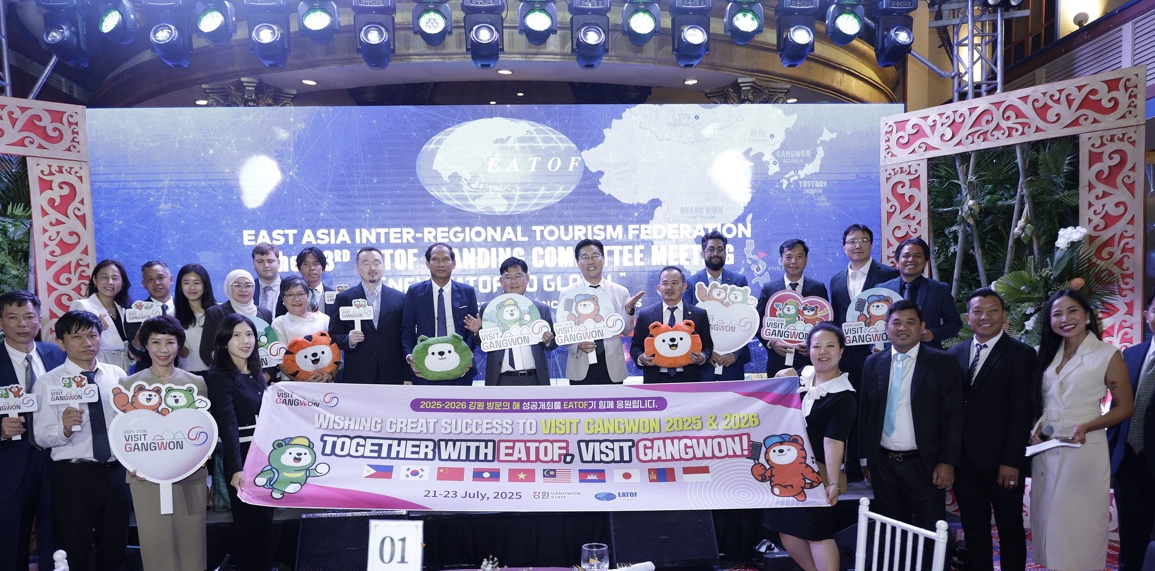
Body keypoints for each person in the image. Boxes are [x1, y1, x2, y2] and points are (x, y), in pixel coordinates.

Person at [1029, 290, 1133, 571]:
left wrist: (1089, 425)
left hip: (1084, 445)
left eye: (1072, 311)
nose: (1065, 319)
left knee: (1077, 521)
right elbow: (1036, 400)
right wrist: (1034, 427)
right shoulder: (1043, 353)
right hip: (1047, 445)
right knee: (1047, 518)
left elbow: (1125, 407)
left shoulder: (1107, 354)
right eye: (1057, 314)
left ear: (1087, 315)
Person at [33, 311, 130, 571]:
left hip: (116, 472)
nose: (87, 343)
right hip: (73, 474)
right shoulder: (48, 382)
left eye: (92, 335)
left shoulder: (117, 375)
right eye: (77, 337)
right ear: (61, 343)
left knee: (115, 547)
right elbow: (40, 435)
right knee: (74, 550)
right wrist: (64, 429)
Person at [946, 288, 1035, 571]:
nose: (985, 317)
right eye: (978, 311)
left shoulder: (1021, 354)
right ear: (967, 317)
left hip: (1002, 463)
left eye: (993, 310)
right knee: (974, 530)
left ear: (1004, 316)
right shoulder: (955, 353)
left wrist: (1012, 461)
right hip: (964, 461)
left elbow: (1022, 412)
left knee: (1010, 529)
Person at [858, 299, 962, 532]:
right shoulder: (873, 363)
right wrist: (865, 459)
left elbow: (952, 416)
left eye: (910, 322)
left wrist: (947, 462)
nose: (902, 328)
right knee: (890, 532)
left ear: (922, 327)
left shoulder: (942, 362)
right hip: (882, 464)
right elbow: (866, 413)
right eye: (896, 322)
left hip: (925, 465)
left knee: (930, 533)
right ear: (887, 327)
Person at [119, 315, 208, 571]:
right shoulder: (129, 384)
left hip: (190, 473)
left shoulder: (195, 383)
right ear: (146, 345)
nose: (163, 349)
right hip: (146, 477)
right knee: (156, 545)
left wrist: (204, 451)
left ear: (179, 345)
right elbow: (124, 433)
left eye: (170, 342)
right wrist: (132, 462)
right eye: (156, 342)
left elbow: (204, 426)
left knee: (192, 546)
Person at [766, 322, 856, 571]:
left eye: (830, 346)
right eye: (816, 346)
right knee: (785, 529)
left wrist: (833, 482)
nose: (823, 352)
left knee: (817, 533)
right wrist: (779, 378)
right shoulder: (799, 378)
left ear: (841, 351)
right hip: (783, 471)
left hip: (815, 474)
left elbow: (833, 440)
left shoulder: (844, 395)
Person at [0, 290, 65, 571]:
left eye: (29, 317)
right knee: (11, 543)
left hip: (55, 460)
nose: (22, 324)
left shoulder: (57, 355)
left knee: (57, 541)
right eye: (13, 317)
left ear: (40, 319)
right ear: (1, 321)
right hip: (10, 463)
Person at [827, 224, 898, 481]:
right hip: (849, 357)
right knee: (852, 408)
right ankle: (854, 465)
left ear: (871, 244)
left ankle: (882, 464)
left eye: (864, 240)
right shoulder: (836, 279)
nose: (858, 245)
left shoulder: (889, 274)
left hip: (882, 354)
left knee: (881, 408)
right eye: (852, 241)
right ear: (844, 246)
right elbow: (836, 319)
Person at [205, 314, 274, 571]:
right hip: (243, 458)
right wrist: (236, 468)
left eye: (249, 334)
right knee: (251, 528)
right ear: (224, 341)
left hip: (264, 455)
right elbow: (228, 424)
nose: (245, 341)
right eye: (237, 335)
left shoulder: (255, 372)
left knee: (263, 527)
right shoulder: (219, 376)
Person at [1111, 289, 1155, 571]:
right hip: (1129, 460)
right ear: (1147, 315)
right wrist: (1111, 457)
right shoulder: (1131, 354)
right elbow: (1117, 408)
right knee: (1131, 540)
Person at [560, 239, 644, 385]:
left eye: (595, 256)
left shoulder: (620, 291)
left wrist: (628, 311)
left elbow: (626, 331)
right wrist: (577, 345)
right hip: (580, 364)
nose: (590, 261)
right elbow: (563, 331)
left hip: (612, 366)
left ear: (603, 259)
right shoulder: (567, 293)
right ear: (577, 262)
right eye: (585, 257)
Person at [464, 257, 557, 386]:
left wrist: (548, 340)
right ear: (501, 281)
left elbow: (552, 345)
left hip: (534, 379)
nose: (513, 281)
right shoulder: (489, 309)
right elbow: (484, 345)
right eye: (508, 277)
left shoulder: (541, 309)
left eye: (518, 276)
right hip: (500, 379)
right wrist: (477, 332)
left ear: (527, 278)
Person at [402, 243, 480, 385]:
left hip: (460, 367)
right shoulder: (415, 292)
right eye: (435, 259)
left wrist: (467, 353)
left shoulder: (467, 291)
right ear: (427, 263)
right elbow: (407, 329)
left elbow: (472, 328)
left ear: (453, 263)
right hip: (425, 367)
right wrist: (409, 356)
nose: (441, 264)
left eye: (445, 259)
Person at [329, 248, 406, 385]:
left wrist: (407, 375)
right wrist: (348, 340)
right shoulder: (344, 298)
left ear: (383, 267)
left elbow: (406, 337)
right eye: (366, 263)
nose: (372, 268)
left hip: (393, 373)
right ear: (357, 269)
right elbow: (334, 335)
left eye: (376, 263)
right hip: (358, 374)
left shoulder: (400, 298)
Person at [684, 230, 750, 380]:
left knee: (733, 396)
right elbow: (686, 323)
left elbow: (746, 321)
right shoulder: (691, 283)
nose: (716, 253)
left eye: (720, 249)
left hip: (732, 362)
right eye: (711, 249)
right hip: (702, 362)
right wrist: (706, 352)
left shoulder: (739, 281)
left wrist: (734, 354)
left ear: (726, 254)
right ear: (703, 254)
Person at [756, 239, 829, 376]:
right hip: (777, 363)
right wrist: (771, 343)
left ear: (806, 259)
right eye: (788, 257)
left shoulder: (818, 289)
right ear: (781, 260)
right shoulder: (769, 289)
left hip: (809, 364)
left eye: (799, 256)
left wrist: (815, 344)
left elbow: (827, 324)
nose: (793, 261)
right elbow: (757, 323)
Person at [630, 266, 713, 383]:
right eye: (665, 283)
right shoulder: (646, 315)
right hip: (656, 379)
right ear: (658, 288)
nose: (669, 287)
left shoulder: (699, 314)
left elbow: (708, 346)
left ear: (684, 287)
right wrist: (641, 358)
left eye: (674, 283)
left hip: (688, 379)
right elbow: (635, 347)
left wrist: (702, 357)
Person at [878, 238, 961, 350]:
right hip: (889, 353)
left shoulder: (939, 289)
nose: (911, 259)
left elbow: (955, 323)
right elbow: (870, 326)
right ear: (897, 262)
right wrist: (875, 346)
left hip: (928, 354)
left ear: (925, 262)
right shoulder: (882, 289)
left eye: (917, 256)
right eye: (906, 256)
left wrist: (933, 334)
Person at [69, 259, 133, 372]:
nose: (110, 282)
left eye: (115, 278)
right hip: (94, 369)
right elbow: (73, 341)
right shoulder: (83, 306)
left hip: (122, 370)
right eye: (104, 277)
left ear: (122, 283)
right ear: (95, 279)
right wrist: (96, 330)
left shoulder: (124, 310)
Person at [199, 270, 273, 366]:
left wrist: (267, 373)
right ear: (228, 287)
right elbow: (206, 351)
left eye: (248, 285)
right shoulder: (215, 313)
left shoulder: (265, 314)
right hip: (227, 372)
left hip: (260, 372)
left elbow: (270, 348)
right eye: (237, 285)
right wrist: (224, 372)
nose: (243, 289)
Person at [273, 275, 334, 381]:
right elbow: (280, 361)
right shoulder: (278, 323)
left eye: (300, 294)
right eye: (290, 295)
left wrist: (330, 376)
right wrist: (302, 382)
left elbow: (336, 353)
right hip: (292, 387)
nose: (296, 299)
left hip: (325, 384)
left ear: (308, 295)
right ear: (283, 299)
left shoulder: (325, 319)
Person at [126, 261, 177, 371]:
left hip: (184, 373)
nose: (157, 283)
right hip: (148, 373)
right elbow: (135, 352)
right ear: (144, 284)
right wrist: (143, 329)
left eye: (161, 277)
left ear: (171, 279)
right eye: (150, 279)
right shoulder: (135, 311)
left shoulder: (185, 307)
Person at [174, 263, 217, 376]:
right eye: (186, 283)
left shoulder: (219, 311)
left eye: (196, 283)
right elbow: (184, 353)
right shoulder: (173, 316)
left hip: (217, 374)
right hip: (187, 376)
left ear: (205, 285)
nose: (191, 287)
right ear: (180, 286)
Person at [295, 247, 335, 316]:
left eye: (316, 264)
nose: (311, 268)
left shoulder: (335, 296)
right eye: (306, 264)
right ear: (299, 269)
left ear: (323, 268)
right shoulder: (291, 297)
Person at [251, 242, 282, 317]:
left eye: (270, 261)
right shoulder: (248, 289)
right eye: (260, 261)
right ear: (253, 264)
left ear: (278, 263)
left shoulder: (290, 288)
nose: (266, 265)